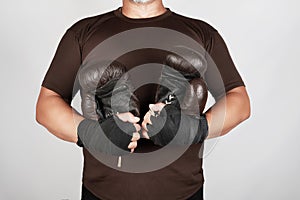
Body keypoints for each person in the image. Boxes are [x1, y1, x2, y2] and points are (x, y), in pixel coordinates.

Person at [36, 0, 251, 199]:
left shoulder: (201, 33)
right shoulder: (82, 33)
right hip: (101, 193)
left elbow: (239, 101)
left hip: (184, 193)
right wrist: (94, 135)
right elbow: (46, 104)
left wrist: (193, 129)